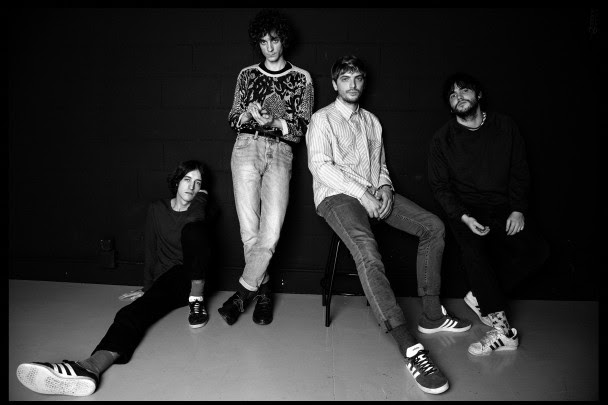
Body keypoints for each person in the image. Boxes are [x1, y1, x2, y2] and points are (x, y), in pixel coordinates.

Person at [306, 55, 471, 395]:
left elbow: (380, 164)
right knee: (368, 252)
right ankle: (410, 348)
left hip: (373, 194)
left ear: (363, 82)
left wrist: (383, 188)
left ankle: (432, 314)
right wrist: (362, 194)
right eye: (345, 78)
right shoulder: (322, 119)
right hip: (336, 198)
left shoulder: (372, 121)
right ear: (335, 84)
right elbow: (320, 167)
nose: (353, 84)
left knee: (434, 227)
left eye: (358, 78)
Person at [16, 160, 213, 396]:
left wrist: (202, 198)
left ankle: (197, 300)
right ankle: (91, 367)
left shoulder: (199, 210)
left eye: (198, 183)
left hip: (189, 276)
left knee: (194, 231)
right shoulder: (157, 208)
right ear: (177, 181)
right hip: (167, 280)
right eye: (187, 180)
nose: (191, 187)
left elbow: (195, 224)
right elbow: (151, 251)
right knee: (131, 313)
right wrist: (147, 287)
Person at [428, 72, 549, 356]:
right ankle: (503, 332)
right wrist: (463, 217)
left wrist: (518, 209)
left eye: (464, 91)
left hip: (503, 207)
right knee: (474, 253)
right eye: (453, 95)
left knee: (538, 251)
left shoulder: (505, 126)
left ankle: (480, 296)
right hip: (466, 210)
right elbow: (440, 187)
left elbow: (520, 169)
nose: (459, 97)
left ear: (478, 94)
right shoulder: (442, 139)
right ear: (450, 105)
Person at [221, 9, 314, 326]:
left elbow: (301, 130)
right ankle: (263, 294)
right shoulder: (247, 75)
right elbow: (233, 118)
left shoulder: (301, 78)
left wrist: (275, 121)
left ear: (283, 40)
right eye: (263, 42)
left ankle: (241, 294)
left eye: (274, 40)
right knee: (250, 232)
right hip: (246, 146)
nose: (269, 47)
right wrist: (248, 114)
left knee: (269, 232)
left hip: (281, 151)